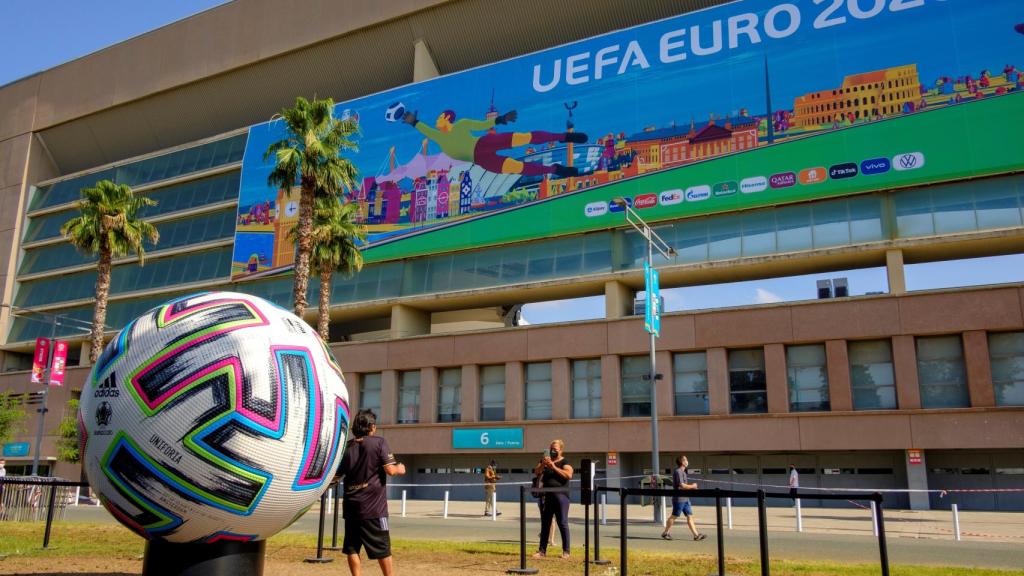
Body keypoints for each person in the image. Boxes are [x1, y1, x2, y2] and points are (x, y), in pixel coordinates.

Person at [404, 109, 586, 178]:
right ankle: (555, 169)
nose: (436, 122)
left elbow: (481, 125)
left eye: (439, 118)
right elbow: (426, 130)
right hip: (482, 161)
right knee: (518, 167)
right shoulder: (440, 138)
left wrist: (499, 119)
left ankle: (564, 137)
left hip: (485, 143)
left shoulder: (461, 124)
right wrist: (414, 122)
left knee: (523, 138)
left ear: (446, 118)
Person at [338, 409, 406, 576]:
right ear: (372, 427)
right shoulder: (379, 442)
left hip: (351, 506)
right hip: (374, 509)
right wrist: (400, 468)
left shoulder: (347, 447)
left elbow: (336, 476)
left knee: (352, 547)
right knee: (383, 547)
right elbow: (390, 470)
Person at [533, 439, 573, 559]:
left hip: (561, 497)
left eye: (555, 449)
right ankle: (542, 551)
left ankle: (566, 551)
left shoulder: (564, 462)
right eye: (551, 449)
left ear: (561, 450)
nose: (552, 451)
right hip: (547, 496)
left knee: (562, 523)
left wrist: (553, 466)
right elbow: (536, 472)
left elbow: (569, 475)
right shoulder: (545, 460)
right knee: (545, 524)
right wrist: (544, 464)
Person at [662, 455, 706, 541]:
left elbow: (685, 486)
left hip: (685, 499)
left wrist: (692, 488)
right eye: (686, 460)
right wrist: (693, 486)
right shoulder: (678, 472)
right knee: (674, 516)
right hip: (679, 499)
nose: (687, 461)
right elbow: (682, 486)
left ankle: (696, 535)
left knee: (690, 516)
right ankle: (665, 533)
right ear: (682, 462)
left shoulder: (684, 472)